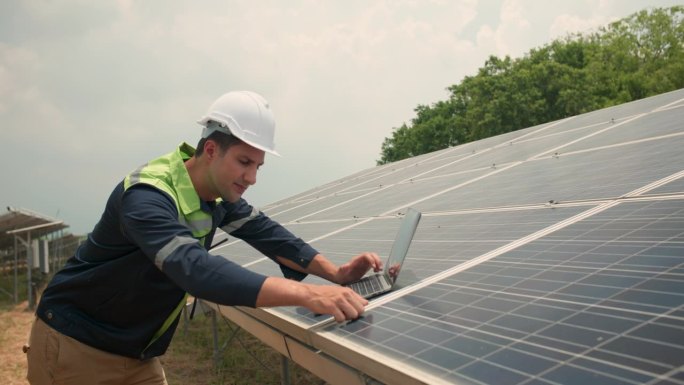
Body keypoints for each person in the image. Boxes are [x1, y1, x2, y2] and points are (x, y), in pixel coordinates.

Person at [26, 91, 382, 385]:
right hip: (76, 346)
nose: (252, 177)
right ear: (211, 150)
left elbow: (271, 236)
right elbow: (193, 268)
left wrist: (335, 274)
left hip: (135, 353)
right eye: (244, 162)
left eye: (258, 166)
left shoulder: (215, 196)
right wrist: (308, 293)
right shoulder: (146, 196)